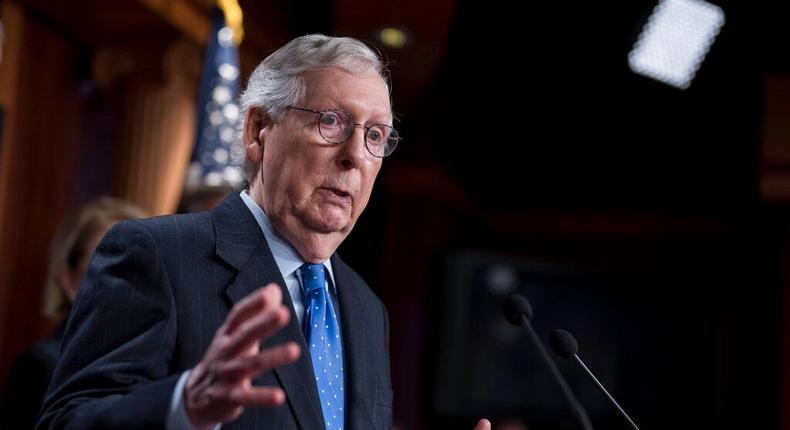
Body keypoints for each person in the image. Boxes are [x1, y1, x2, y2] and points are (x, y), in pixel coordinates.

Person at [0, 197, 146, 429]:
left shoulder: (162, 360)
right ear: (69, 282)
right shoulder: (44, 366)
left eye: (141, 264)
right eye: (112, 265)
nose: (130, 280)